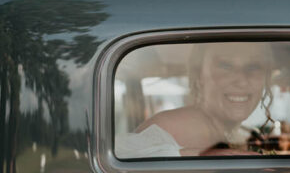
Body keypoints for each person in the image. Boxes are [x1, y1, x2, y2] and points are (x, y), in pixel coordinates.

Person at [116, 41, 272, 158]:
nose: (242, 80)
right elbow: (121, 155)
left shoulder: (238, 133)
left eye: (253, 67)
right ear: (199, 76)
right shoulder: (170, 127)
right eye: (225, 65)